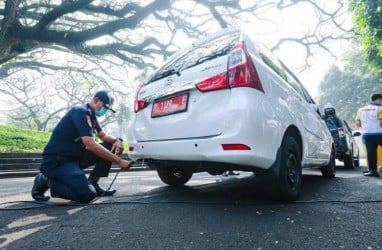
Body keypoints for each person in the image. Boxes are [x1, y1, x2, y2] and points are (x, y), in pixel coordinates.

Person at [31, 90, 132, 203]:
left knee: (109, 145)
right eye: (104, 107)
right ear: (96, 100)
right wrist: (119, 161)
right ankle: (47, 180)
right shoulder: (80, 112)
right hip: (58, 160)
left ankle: (93, 182)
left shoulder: (91, 116)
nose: (104, 111)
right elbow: (90, 145)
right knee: (87, 194)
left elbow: (102, 135)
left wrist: (118, 140)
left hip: (74, 157)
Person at [355, 93, 382, 177]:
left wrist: (366, 127)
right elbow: (381, 122)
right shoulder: (380, 109)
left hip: (367, 134)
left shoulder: (361, 110)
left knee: (371, 153)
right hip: (380, 133)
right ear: (379, 99)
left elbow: (358, 123)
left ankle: (373, 171)